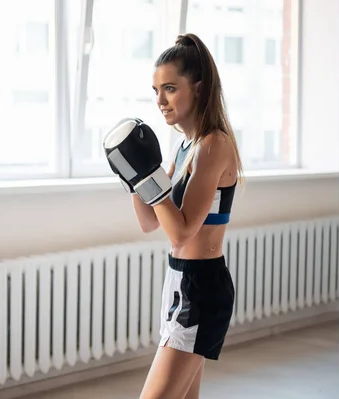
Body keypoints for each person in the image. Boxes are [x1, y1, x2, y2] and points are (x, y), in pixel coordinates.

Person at [103, 33, 243, 399]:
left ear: (197, 88)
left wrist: (149, 176)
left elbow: (181, 233)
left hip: (202, 287)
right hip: (179, 283)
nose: (160, 101)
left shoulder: (213, 146)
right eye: (155, 91)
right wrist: (134, 180)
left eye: (169, 88)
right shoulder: (184, 148)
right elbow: (151, 222)